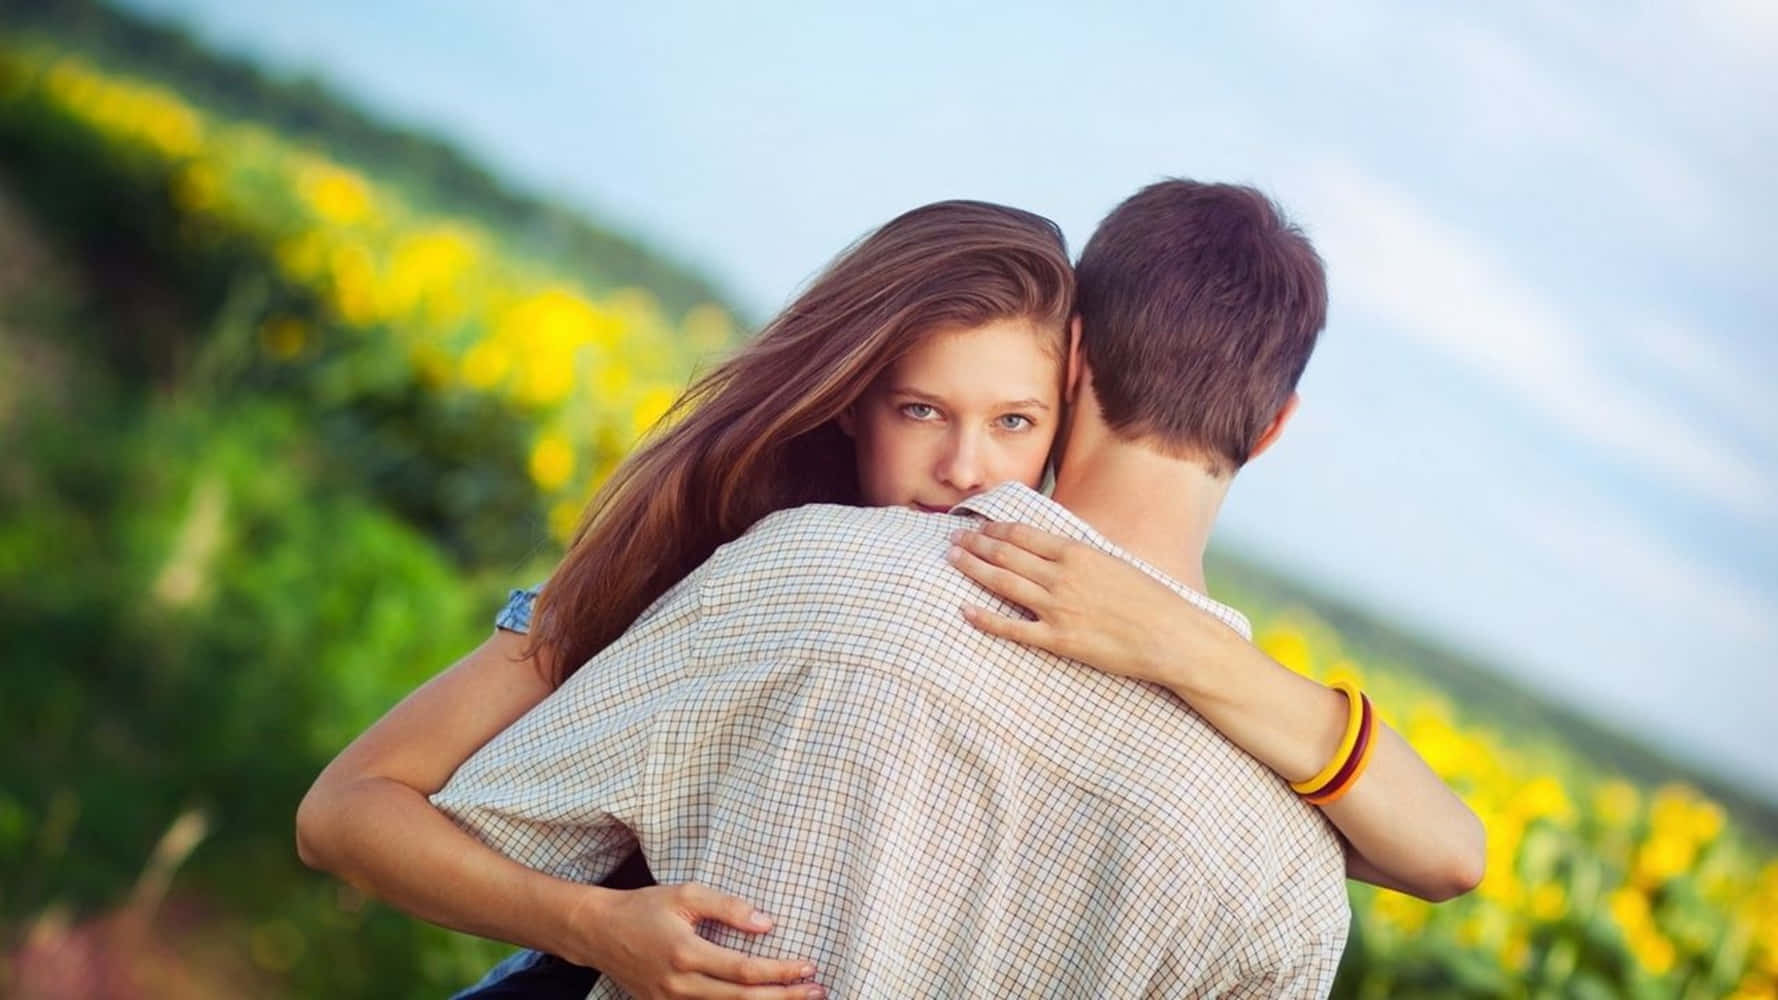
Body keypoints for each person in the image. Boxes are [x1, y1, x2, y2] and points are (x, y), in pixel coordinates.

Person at [297, 192, 1481, 999]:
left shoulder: (803, 571)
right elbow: (1446, 859)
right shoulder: (1287, 867)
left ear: (1071, 373)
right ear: (1273, 430)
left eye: (1008, 420)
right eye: (923, 409)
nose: (964, 467)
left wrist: (1178, 645)